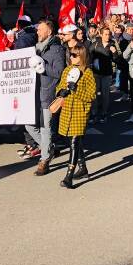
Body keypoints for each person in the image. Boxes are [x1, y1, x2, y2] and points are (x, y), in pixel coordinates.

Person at [54, 46, 97, 189]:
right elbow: (58, 87)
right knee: (73, 141)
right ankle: (83, 168)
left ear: (82, 56)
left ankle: (69, 176)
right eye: (70, 55)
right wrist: (61, 91)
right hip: (67, 111)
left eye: (74, 55)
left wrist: (76, 90)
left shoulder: (88, 73)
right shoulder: (67, 70)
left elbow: (91, 96)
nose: (71, 57)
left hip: (80, 112)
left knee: (74, 142)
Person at [28, 20, 66, 175]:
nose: (38, 32)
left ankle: (44, 161)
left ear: (49, 32)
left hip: (47, 94)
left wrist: (43, 68)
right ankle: (49, 148)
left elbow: (59, 72)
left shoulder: (56, 49)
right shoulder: (36, 48)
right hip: (33, 94)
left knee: (45, 129)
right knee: (29, 125)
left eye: (41, 30)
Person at [90, 26, 117, 123]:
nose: (107, 36)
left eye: (109, 34)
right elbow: (89, 56)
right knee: (95, 94)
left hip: (107, 73)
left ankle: (104, 113)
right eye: (105, 34)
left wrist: (114, 53)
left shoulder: (112, 44)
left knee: (105, 94)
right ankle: (94, 113)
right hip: (96, 73)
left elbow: (116, 59)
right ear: (101, 34)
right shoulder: (95, 44)